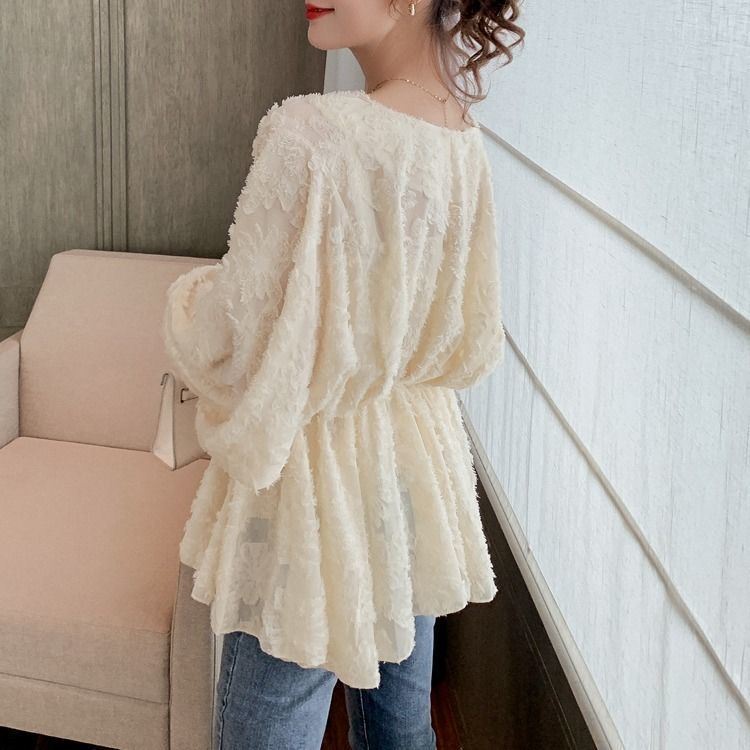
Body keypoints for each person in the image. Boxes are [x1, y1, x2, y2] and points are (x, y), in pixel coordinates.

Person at [161, 0, 525, 747]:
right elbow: (472, 339)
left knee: (268, 727)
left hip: (315, 487)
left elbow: (237, 339)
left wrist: (185, 301)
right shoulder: (460, 135)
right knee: (400, 730)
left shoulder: (313, 135)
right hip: (414, 469)